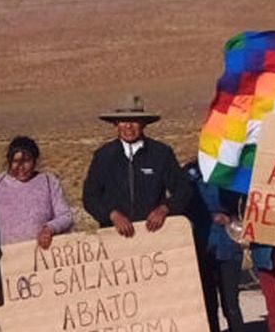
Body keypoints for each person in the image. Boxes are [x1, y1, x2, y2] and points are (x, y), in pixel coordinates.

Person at [0, 136, 74, 302]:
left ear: (35, 160)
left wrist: (50, 228)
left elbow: (66, 216)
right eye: (15, 161)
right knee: (11, 316)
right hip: (6, 259)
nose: (20, 167)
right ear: (8, 161)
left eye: (26, 161)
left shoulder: (49, 182)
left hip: (43, 259)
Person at [82, 96, 192, 237]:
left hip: (157, 234)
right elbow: (90, 197)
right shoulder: (103, 156)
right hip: (114, 236)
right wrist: (111, 214)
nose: (128, 126)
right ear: (115, 124)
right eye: (123, 121)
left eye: (134, 120)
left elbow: (183, 189)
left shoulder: (161, 153)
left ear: (143, 123)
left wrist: (165, 208)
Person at [184, 160, 249, 332]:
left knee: (230, 303)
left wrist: (231, 217)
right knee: (208, 304)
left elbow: (246, 202)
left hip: (228, 244)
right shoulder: (189, 172)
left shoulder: (232, 169)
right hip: (201, 244)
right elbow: (180, 202)